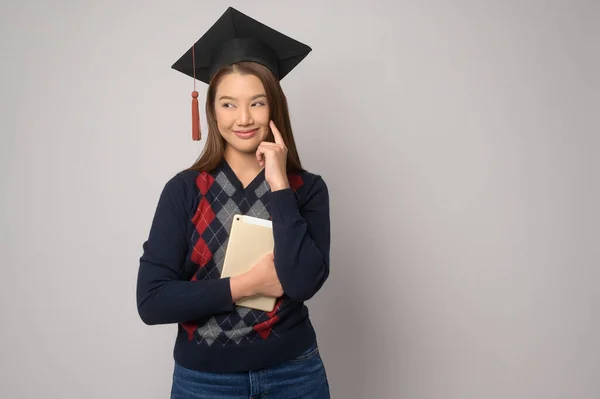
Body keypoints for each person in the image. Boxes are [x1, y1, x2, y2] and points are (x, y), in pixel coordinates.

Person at [136, 7, 331, 399]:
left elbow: (304, 282)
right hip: (205, 381)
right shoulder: (184, 190)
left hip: (294, 373)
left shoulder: (306, 189)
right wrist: (247, 285)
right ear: (211, 110)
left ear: (275, 107)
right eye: (228, 104)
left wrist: (279, 185)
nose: (244, 117)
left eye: (257, 103)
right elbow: (152, 300)